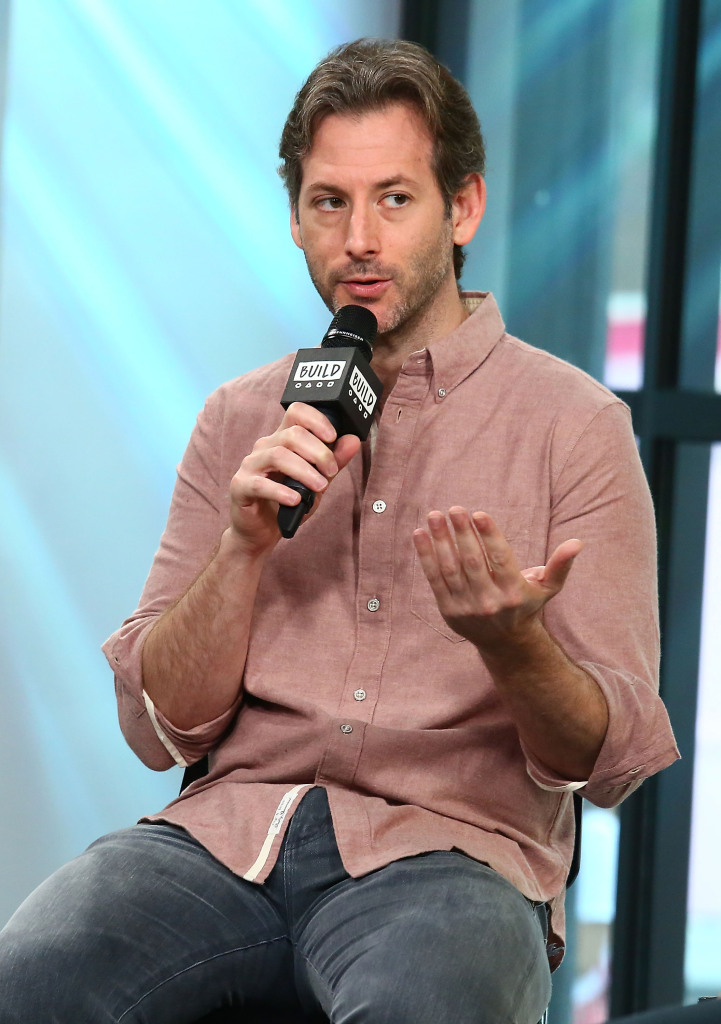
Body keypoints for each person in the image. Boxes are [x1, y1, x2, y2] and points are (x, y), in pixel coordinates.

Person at [0, 38, 678, 1024]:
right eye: (330, 202)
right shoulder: (242, 415)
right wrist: (241, 545)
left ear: (463, 209)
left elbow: (606, 759)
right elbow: (159, 728)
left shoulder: (574, 426)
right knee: (35, 972)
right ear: (295, 219)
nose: (359, 238)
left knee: (427, 1002)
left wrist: (514, 643)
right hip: (222, 839)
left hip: (450, 851)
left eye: (394, 199)